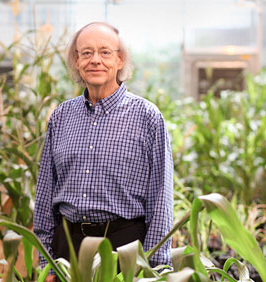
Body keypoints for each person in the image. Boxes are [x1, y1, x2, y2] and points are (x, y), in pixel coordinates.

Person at [33, 22, 173, 282]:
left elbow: (161, 200)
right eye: (86, 53)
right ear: (76, 61)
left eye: (105, 52)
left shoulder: (147, 117)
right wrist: (47, 263)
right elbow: (45, 196)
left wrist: (156, 267)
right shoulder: (62, 116)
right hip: (68, 250)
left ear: (120, 59)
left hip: (125, 249)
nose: (95, 60)